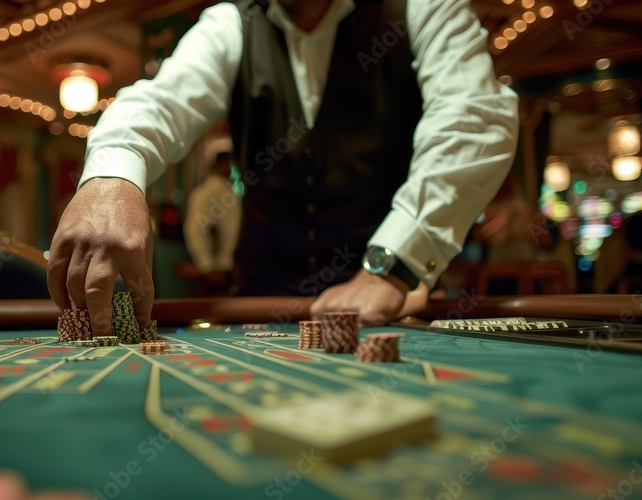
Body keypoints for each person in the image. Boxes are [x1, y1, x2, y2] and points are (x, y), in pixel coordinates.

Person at [47, 0, 519, 332]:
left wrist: (390, 267)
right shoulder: (230, 24)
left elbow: (473, 122)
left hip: (391, 305)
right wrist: (111, 176)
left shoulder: (420, 7)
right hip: (260, 301)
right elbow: (160, 103)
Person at [183, 150, 242, 293]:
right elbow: (195, 229)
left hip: (229, 267)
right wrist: (206, 265)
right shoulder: (207, 192)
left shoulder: (229, 191)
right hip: (217, 270)